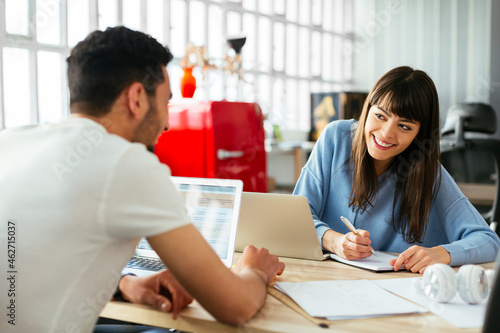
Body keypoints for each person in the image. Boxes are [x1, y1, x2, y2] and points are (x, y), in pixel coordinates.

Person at [0, 26, 284, 333]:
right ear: (136, 97)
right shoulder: (127, 164)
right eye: (165, 103)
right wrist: (254, 271)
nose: (166, 123)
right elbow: (235, 306)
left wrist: (123, 284)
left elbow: (32, 267)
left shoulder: (11, 141)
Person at [293, 66, 500, 274]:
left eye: (404, 127)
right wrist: (334, 241)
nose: (386, 133)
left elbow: (489, 241)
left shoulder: (428, 171)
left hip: (395, 290)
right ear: (368, 109)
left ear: (419, 134)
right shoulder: (335, 138)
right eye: (381, 116)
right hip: (329, 279)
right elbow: (296, 218)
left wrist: (442, 253)